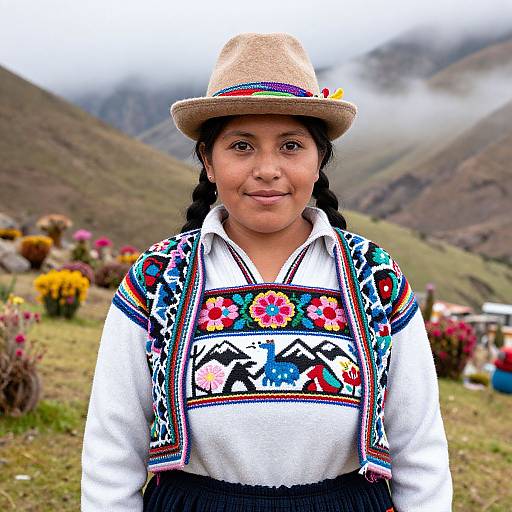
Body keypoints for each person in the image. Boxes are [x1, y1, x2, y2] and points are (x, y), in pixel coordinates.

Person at [81, 32, 453, 512]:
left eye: (291, 146)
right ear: (207, 163)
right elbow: (114, 443)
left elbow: (417, 443)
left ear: (320, 161)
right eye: (241, 146)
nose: (268, 169)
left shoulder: (374, 277)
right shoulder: (157, 278)